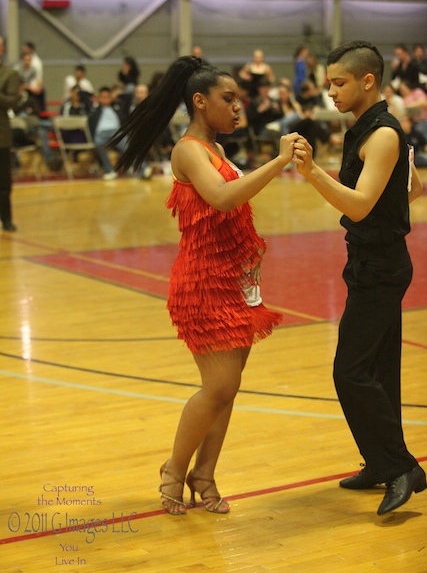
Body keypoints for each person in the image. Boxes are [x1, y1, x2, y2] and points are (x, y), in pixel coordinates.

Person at [108, 55, 296, 515]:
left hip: (233, 284)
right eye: (228, 99)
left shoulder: (216, 149)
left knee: (227, 391)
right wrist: (279, 161)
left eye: (239, 100)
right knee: (217, 387)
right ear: (199, 101)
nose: (237, 109)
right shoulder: (189, 150)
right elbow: (223, 197)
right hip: (201, 286)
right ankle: (174, 469)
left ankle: (205, 475)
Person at [292, 40, 425, 516]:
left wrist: (312, 173)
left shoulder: (383, 134)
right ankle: (381, 461)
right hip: (372, 261)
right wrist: (383, 213)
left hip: (382, 268)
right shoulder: (368, 128)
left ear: (368, 81)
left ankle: (400, 468)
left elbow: (360, 203)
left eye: (339, 83)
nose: (330, 91)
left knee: (349, 371)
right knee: (378, 371)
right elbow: (413, 188)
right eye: (329, 83)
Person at [0, 36, 21, 231]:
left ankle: (6, 218)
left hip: (1, 135)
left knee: (4, 182)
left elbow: (12, 101)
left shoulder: (10, 74)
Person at [88, 86, 126, 180]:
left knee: (128, 146)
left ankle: (144, 170)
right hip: (101, 133)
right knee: (99, 144)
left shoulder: (116, 108)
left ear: (111, 97)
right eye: (102, 97)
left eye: (107, 97)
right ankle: (110, 170)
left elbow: (127, 98)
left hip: (116, 133)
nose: (105, 99)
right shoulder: (95, 110)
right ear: (99, 98)